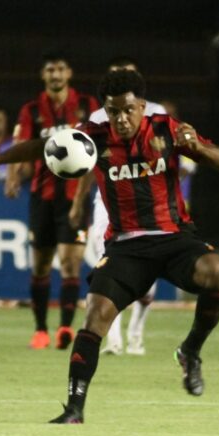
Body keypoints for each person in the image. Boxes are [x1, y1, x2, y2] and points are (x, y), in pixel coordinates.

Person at [0, 69, 219, 424]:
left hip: (175, 239)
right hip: (125, 247)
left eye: (127, 110)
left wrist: (197, 147)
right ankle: (74, 409)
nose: (120, 119)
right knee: (95, 319)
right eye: (112, 111)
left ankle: (190, 352)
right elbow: (41, 147)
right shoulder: (92, 138)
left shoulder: (166, 129)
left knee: (218, 272)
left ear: (141, 106)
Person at [7, 51, 100, 350]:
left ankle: (65, 328)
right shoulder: (32, 110)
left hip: (76, 196)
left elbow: (100, 143)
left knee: (71, 264)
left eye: (60, 69)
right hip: (42, 197)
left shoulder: (87, 106)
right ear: (43, 75)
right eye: (50, 70)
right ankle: (40, 330)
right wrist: (12, 175)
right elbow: (21, 146)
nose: (56, 75)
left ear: (69, 73)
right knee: (41, 265)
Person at [84, 57, 166, 357]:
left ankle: (136, 333)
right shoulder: (96, 118)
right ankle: (114, 339)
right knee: (109, 268)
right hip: (108, 203)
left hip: (147, 204)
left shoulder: (158, 113)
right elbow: (86, 162)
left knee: (146, 281)